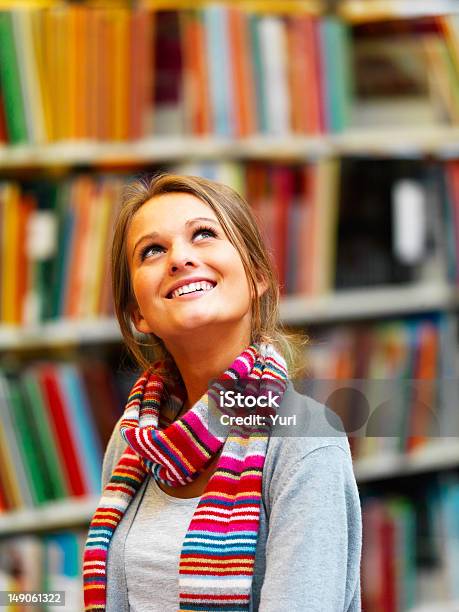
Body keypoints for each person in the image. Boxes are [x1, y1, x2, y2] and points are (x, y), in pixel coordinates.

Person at [83, 173, 362, 612]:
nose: (180, 258)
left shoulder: (306, 440)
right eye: (152, 250)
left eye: (204, 234)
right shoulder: (132, 439)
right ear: (138, 314)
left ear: (256, 277)